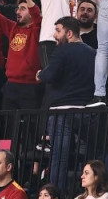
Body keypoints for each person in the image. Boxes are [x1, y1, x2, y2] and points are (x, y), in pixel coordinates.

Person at [37, 17, 97, 191]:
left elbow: (50, 75)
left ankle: (56, 193)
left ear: (69, 33)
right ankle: (94, 191)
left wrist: (41, 74)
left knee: (59, 156)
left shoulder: (62, 51)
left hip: (61, 111)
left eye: (58, 30)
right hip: (85, 110)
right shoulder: (92, 52)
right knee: (94, 154)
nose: (55, 35)